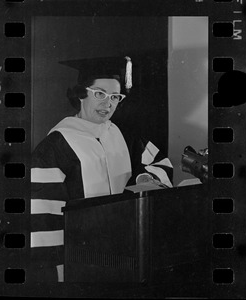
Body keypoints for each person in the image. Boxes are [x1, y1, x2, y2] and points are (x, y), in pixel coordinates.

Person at [30, 56, 173, 282]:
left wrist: (145, 177)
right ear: (80, 94)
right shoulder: (55, 146)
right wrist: (57, 268)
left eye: (115, 96)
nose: (108, 104)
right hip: (81, 256)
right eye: (100, 94)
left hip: (129, 248)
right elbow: (44, 216)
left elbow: (160, 164)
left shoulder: (125, 136)